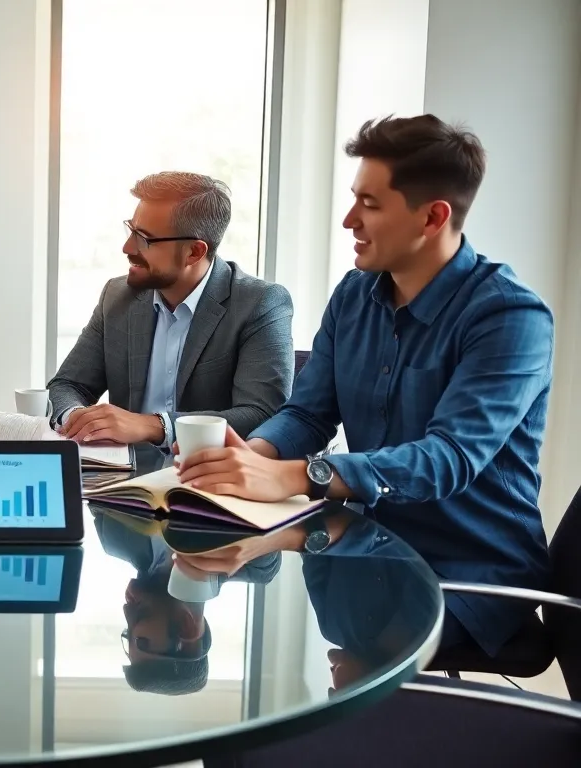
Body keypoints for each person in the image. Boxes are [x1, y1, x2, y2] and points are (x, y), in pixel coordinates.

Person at [176, 115, 553, 659]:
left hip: (468, 574)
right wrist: (250, 458)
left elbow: (448, 458)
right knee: (259, 634)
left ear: (433, 216)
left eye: (370, 205)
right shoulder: (354, 295)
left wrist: (293, 475)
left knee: (330, 700)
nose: (350, 219)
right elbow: (308, 414)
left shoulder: (510, 317)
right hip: (363, 546)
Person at [49, 172, 295, 448]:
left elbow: (262, 414)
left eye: (144, 239)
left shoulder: (259, 303)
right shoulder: (117, 296)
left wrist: (152, 425)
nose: (127, 247)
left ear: (194, 252)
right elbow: (68, 385)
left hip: (206, 477)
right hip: (121, 475)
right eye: (131, 230)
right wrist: (79, 420)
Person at [91, 505, 280, 695]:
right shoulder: (256, 563)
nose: (126, 611)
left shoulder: (112, 536)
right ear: (186, 626)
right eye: (140, 639)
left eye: (127, 632)